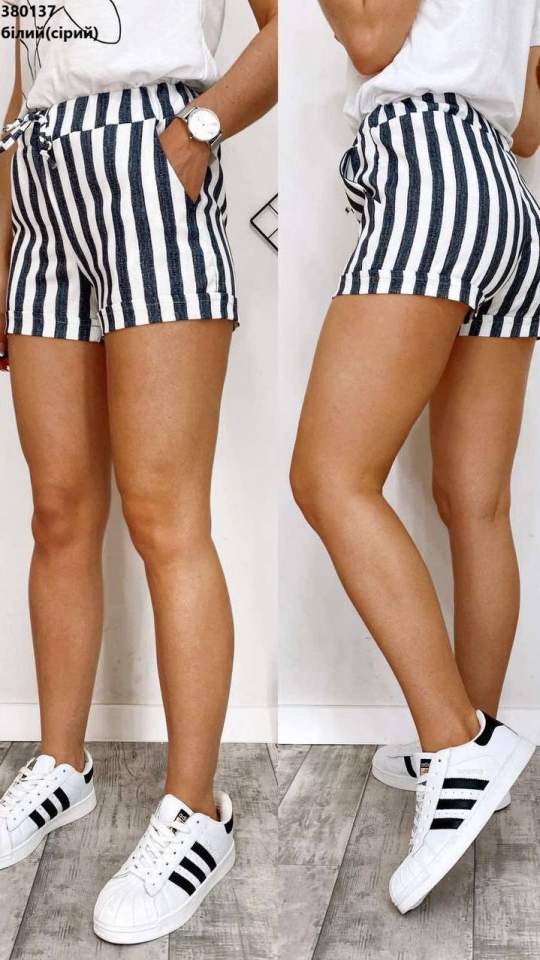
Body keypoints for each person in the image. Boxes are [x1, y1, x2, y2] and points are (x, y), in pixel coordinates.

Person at [0, 0, 277, 944]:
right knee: (57, 510)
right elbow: (24, 79)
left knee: (165, 518)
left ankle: (197, 811)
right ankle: (62, 765)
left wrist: (198, 130)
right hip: (41, 188)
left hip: (150, 165)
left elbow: (291, 32)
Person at [291, 0, 540, 915]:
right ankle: (474, 738)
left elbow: (369, 39)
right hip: (506, 199)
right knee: (476, 503)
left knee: (328, 478)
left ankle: (456, 747)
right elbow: (529, 121)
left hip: (431, 172)